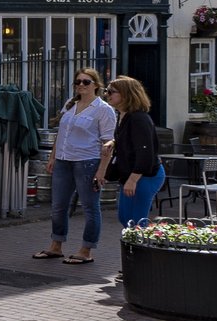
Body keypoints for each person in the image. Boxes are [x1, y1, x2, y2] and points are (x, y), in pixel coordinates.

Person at [33, 67, 115, 265]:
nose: (81, 85)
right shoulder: (70, 105)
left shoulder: (104, 110)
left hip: (87, 162)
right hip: (63, 160)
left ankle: (86, 250)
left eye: (86, 82)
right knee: (58, 205)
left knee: (89, 206)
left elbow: (108, 142)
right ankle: (56, 245)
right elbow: (61, 134)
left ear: (96, 85)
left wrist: (102, 169)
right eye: (78, 82)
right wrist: (53, 157)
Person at [102, 76, 163, 231]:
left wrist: (133, 179)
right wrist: (113, 142)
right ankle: (135, 251)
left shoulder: (138, 119)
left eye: (111, 92)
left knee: (136, 222)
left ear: (126, 94)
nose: (107, 95)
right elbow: (130, 139)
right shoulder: (123, 116)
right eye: (106, 91)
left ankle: (142, 253)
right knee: (124, 217)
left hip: (144, 175)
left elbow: (145, 151)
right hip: (129, 174)